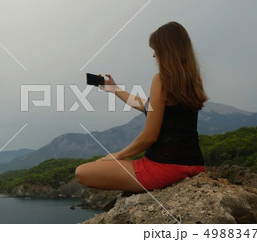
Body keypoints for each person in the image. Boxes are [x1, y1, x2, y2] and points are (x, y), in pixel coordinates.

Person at [75, 21, 208, 192]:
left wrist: (119, 155)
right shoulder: (193, 81)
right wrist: (115, 89)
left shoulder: (161, 79)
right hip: (195, 166)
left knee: (82, 172)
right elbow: (149, 106)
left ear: (166, 50)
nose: (154, 55)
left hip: (162, 168)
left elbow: (150, 136)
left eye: (155, 49)